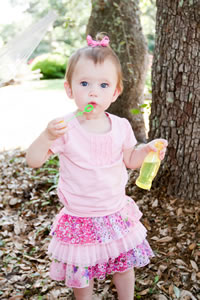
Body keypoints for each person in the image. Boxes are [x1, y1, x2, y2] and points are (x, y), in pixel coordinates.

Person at [26, 34, 168, 300]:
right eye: (84, 83)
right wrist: (46, 136)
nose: (93, 91)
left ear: (115, 92)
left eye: (103, 85)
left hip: (114, 212)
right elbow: (33, 160)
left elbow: (130, 160)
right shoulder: (65, 128)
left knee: (123, 266)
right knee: (82, 273)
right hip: (80, 217)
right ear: (69, 89)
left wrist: (147, 150)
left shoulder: (121, 126)